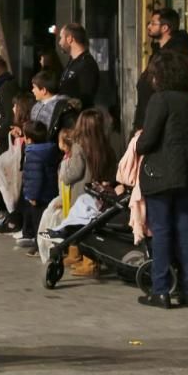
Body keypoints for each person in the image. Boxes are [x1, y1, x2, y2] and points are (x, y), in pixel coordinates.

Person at [135, 51, 188, 308]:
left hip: (160, 174)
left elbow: (148, 140)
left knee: (162, 231)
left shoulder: (160, 100)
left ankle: (161, 290)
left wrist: (138, 144)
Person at [57, 109, 117, 277]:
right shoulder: (105, 145)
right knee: (91, 225)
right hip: (99, 191)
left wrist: (64, 177)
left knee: (78, 224)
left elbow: (75, 171)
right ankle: (80, 256)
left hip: (81, 191)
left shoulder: (79, 146)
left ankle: (87, 261)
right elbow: (112, 168)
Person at [135, 8, 188, 129]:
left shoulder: (175, 53)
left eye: (153, 23)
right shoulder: (159, 51)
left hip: (160, 119)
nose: (149, 26)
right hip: (148, 115)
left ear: (165, 28)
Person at [18, 120, 61, 254]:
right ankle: (49, 245)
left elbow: (35, 177)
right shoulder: (50, 149)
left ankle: (40, 247)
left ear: (29, 139)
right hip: (50, 191)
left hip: (39, 195)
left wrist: (32, 196)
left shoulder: (33, 153)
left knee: (39, 223)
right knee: (49, 221)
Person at [58, 23, 100, 109]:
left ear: (69, 39)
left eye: (61, 38)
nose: (59, 42)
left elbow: (86, 98)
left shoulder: (86, 64)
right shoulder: (72, 62)